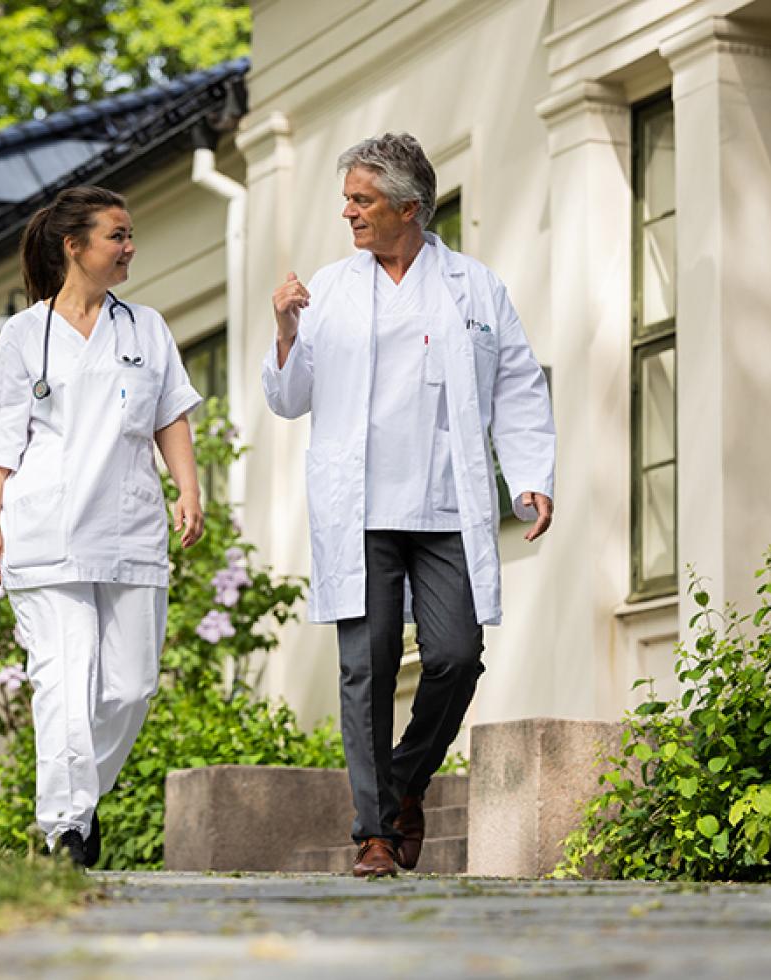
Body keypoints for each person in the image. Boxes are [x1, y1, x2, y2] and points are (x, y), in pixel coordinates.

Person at [262, 133, 555, 878]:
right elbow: (290, 400)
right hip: (358, 508)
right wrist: (286, 329)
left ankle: (401, 785)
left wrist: (529, 474)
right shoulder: (328, 287)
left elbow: (515, 383)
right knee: (368, 666)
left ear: (408, 207)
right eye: (348, 199)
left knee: (456, 656)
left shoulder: (474, 287)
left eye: (361, 200)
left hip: (445, 505)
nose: (348, 213)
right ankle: (374, 834)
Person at [0, 185, 205, 867]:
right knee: (64, 682)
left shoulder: (145, 328)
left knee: (129, 687)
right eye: (116, 236)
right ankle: (66, 829)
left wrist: (188, 488)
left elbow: (170, 415)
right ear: (74, 246)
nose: (130, 248)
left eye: (130, 236)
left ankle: (76, 802)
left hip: (129, 527)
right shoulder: (24, 334)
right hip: (44, 532)